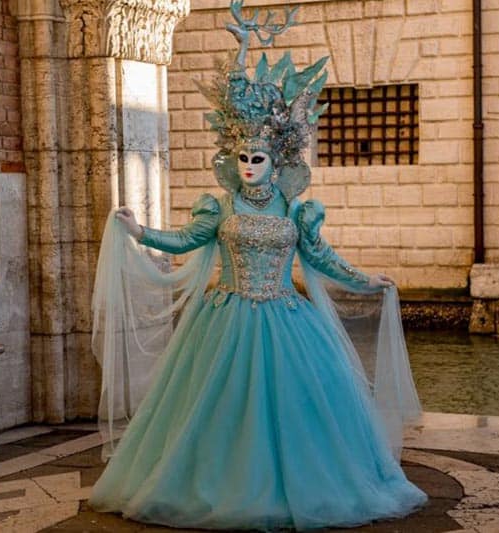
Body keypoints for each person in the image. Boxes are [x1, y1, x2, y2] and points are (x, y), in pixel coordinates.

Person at [88, 2, 428, 530]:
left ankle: (308, 485)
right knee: (216, 413)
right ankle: (217, 484)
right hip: (225, 322)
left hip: (289, 321)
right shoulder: (218, 207)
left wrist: (366, 279)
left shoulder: (296, 210)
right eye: (242, 158)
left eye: (259, 159)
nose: (249, 167)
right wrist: (138, 231)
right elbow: (184, 240)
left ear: (277, 160)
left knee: (297, 415)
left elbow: (319, 257)